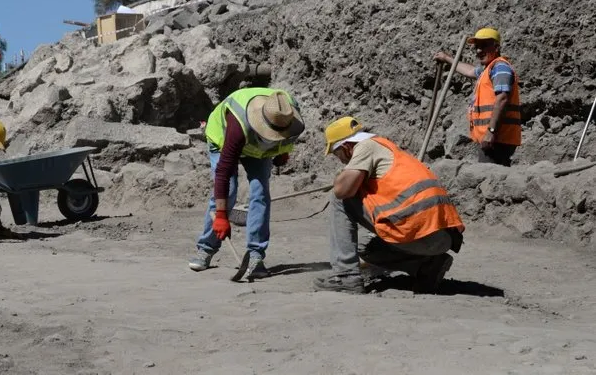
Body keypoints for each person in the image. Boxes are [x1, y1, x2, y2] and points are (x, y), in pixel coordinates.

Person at [314, 117, 465, 294]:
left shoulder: (365, 147)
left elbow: (342, 191)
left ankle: (346, 276)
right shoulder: (385, 146)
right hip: (442, 236)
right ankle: (427, 265)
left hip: (419, 232)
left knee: (340, 198)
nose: (339, 160)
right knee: (365, 247)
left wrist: (341, 179)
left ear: (346, 147)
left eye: (336, 154)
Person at [189, 88, 305, 279]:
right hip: (222, 139)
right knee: (229, 190)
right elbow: (223, 173)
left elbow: (287, 139)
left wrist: (282, 151)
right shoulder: (238, 123)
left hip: (257, 148)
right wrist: (220, 216)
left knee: (260, 193)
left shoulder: (290, 116)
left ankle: (255, 255)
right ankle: (206, 248)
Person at [434, 27, 521, 166]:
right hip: (493, 138)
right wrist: (447, 58)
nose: (479, 51)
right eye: (477, 47)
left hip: (497, 138)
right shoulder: (489, 69)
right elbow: (469, 70)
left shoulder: (500, 67)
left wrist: (491, 131)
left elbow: (502, 99)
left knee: (492, 180)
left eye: (484, 46)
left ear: (496, 47)